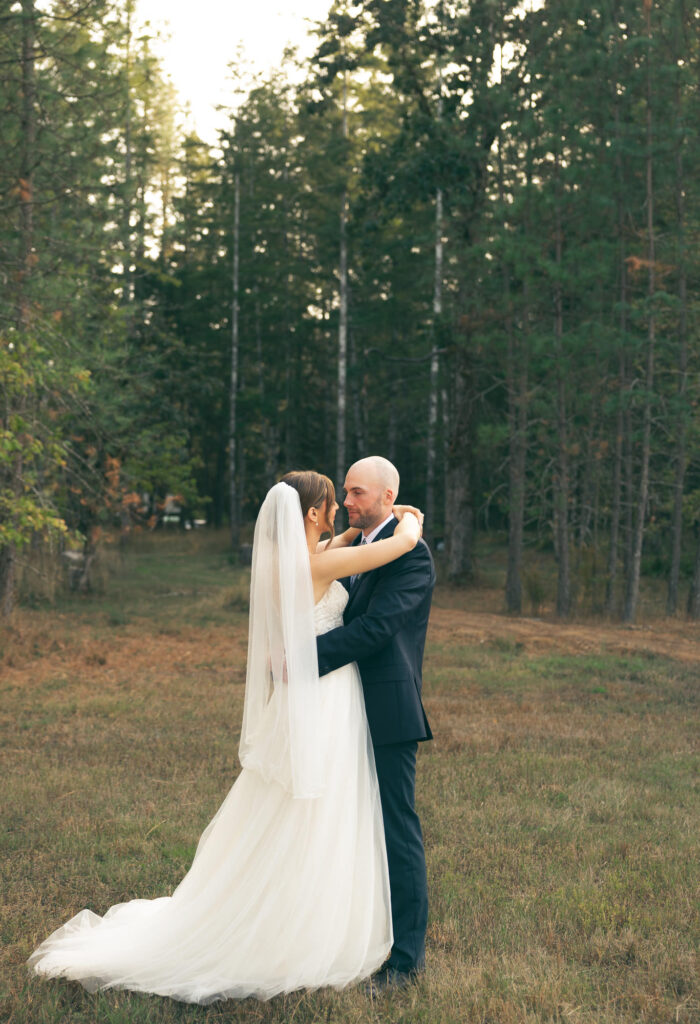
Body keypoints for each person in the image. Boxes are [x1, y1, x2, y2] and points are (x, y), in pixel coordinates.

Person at [28, 471, 423, 1004]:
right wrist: (410, 524)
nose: (341, 510)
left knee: (303, 811)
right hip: (324, 702)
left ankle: (306, 917)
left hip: (315, 702)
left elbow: (343, 550)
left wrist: (355, 535)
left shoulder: (293, 561)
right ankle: (307, 927)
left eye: (353, 496)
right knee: (317, 811)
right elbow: (393, 548)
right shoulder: (319, 563)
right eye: (335, 501)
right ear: (311, 514)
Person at [316, 456, 435, 994]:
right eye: (345, 492)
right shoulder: (361, 546)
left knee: (395, 828)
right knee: (347, 822)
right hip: (342, 708)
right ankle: (355, 934)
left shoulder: (413, 559)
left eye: (357, 493)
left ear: (388, 497)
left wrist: (300, 656)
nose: (347, 501)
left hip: (387, 709)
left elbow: (377, 629)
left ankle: (406, 961)